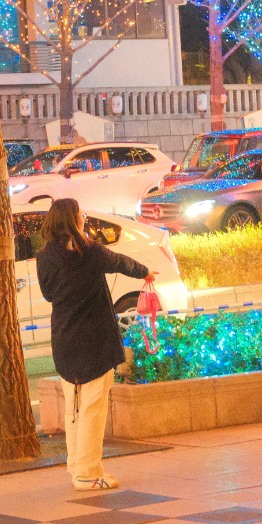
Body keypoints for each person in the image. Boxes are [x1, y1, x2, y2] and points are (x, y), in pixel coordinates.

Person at [36, 198, 151, 491]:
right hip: (95, 340)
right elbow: (121, 263)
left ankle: (77, 466)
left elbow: (49, 295)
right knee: (92, 409)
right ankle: (87, 474)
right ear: (75, 219)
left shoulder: (45, 256)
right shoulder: (91, 252)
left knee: (73, 408)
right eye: (81, 215)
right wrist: (146, 272)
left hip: (64, 338)